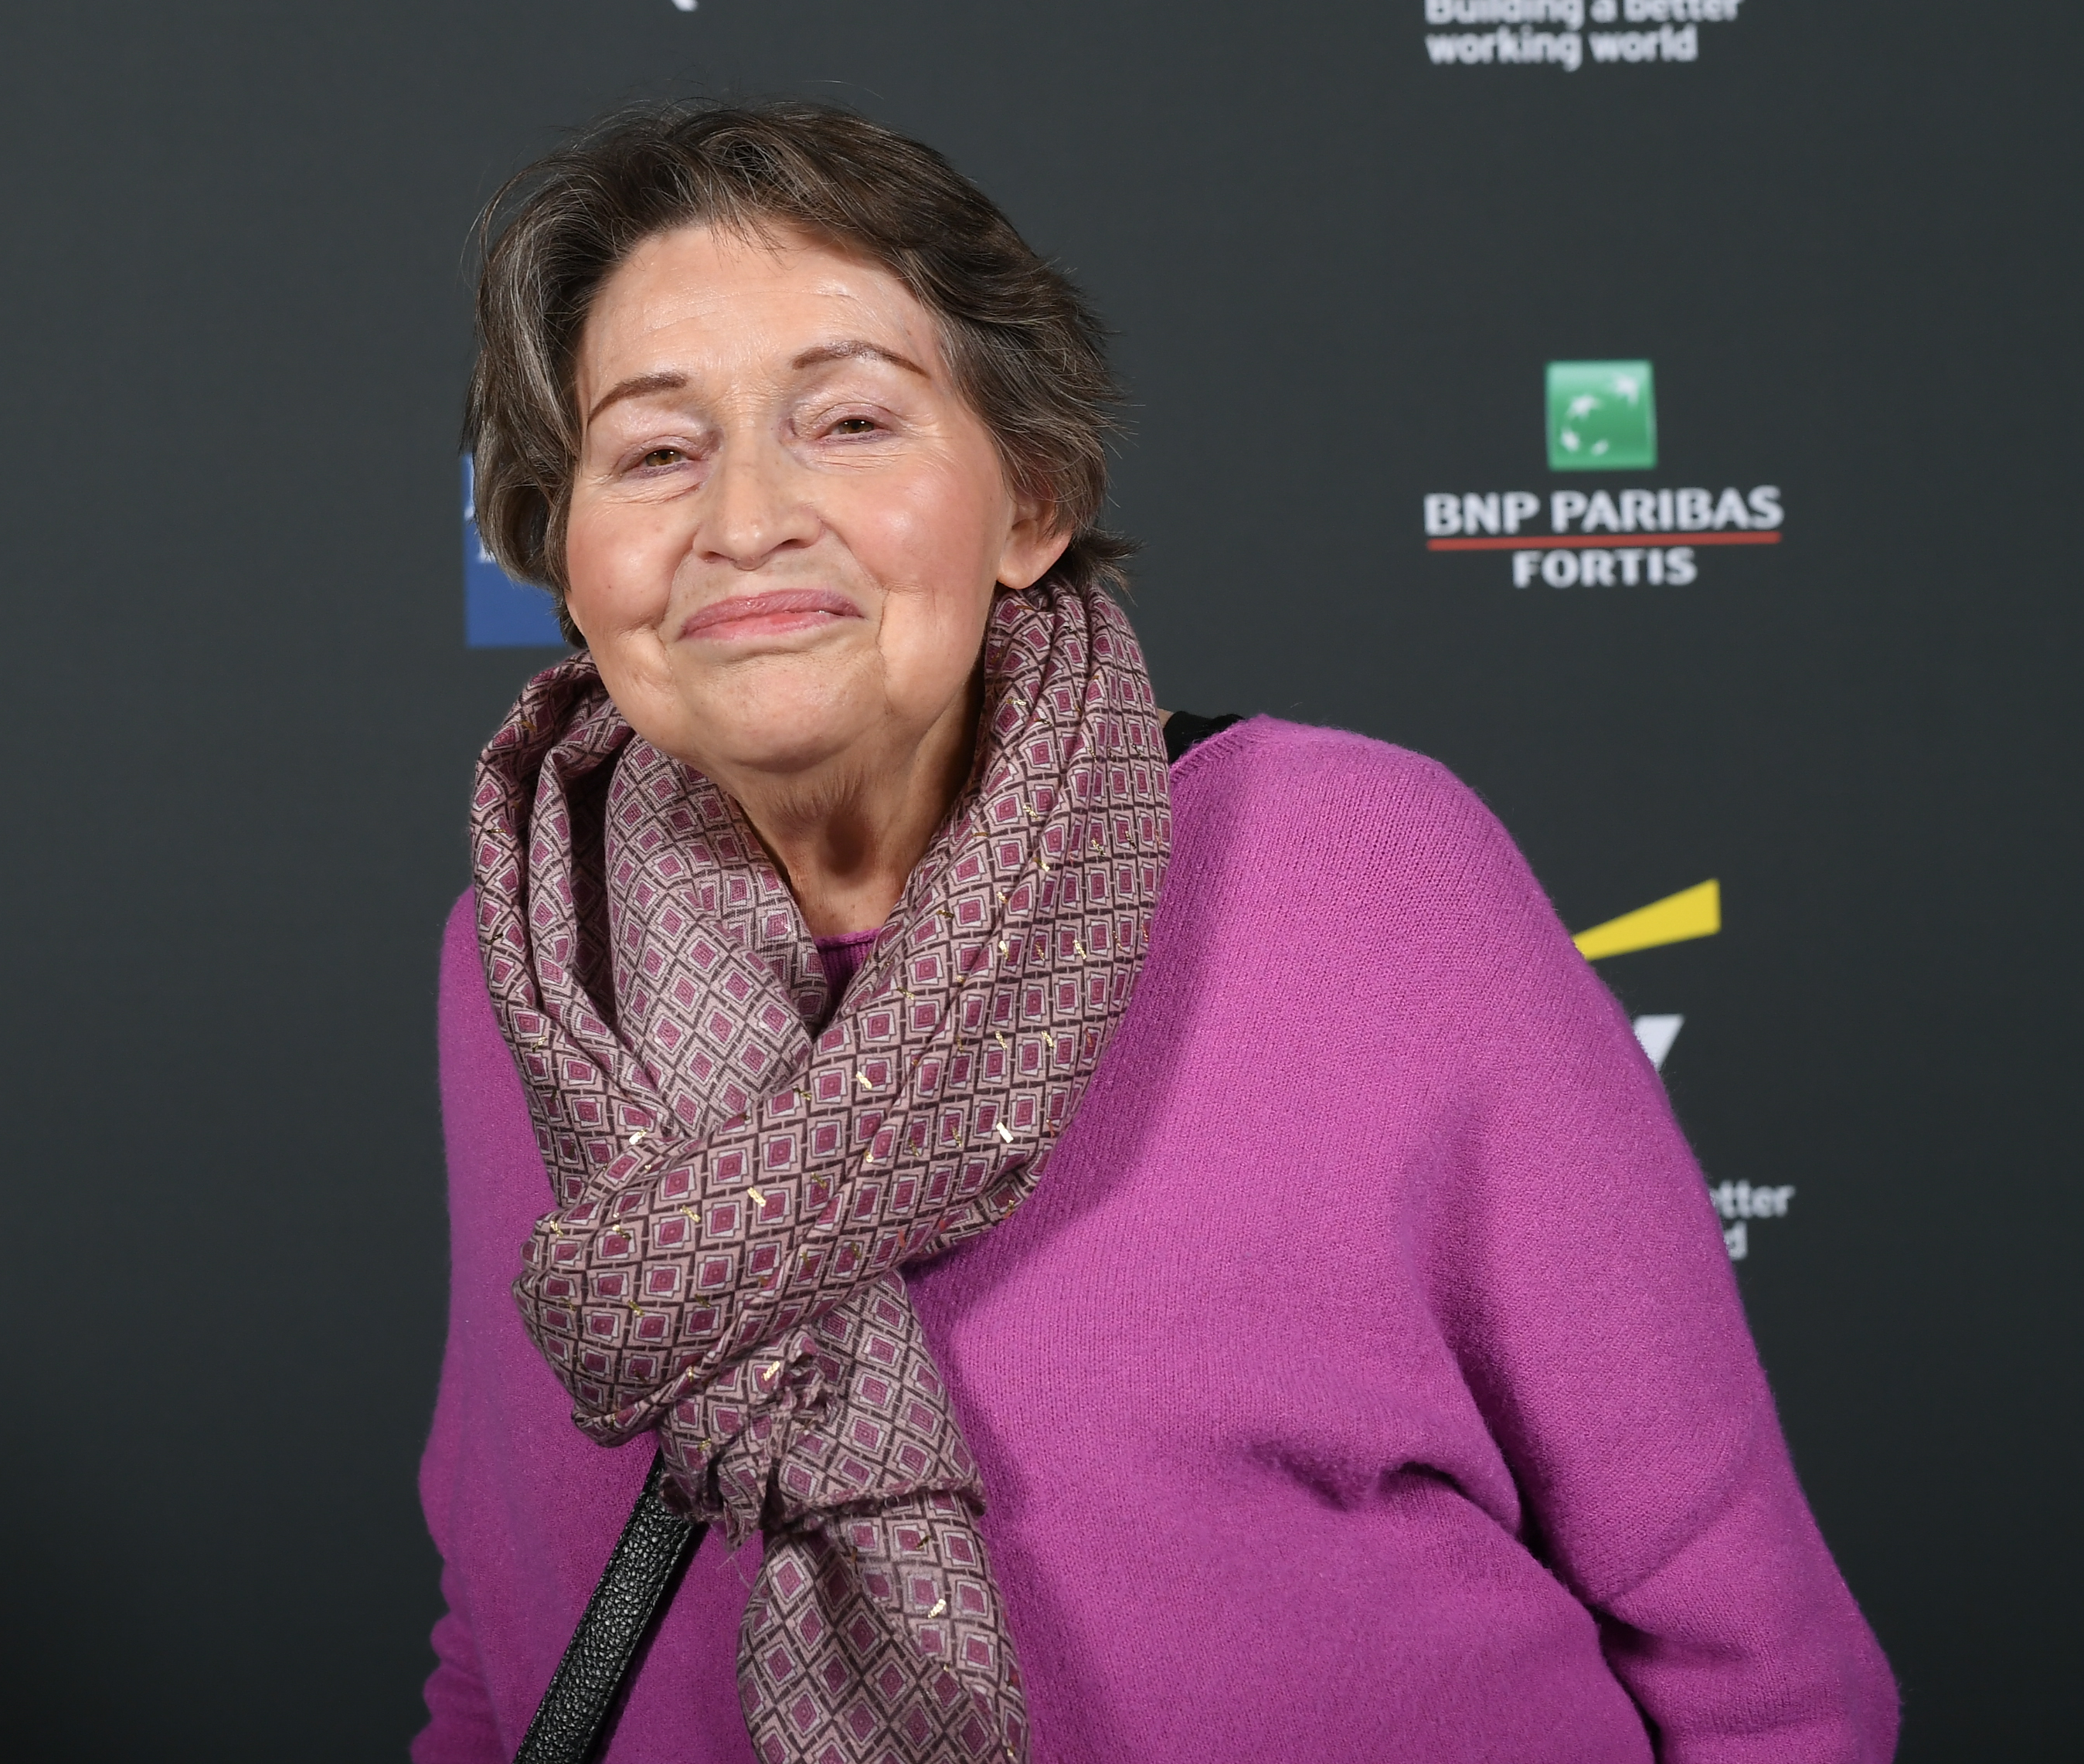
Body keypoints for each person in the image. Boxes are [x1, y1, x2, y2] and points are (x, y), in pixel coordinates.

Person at [416, 102, 1897, 1763]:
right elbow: (510, 1609)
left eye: (849, 422)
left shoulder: (1354, 871)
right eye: (653, 453)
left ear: (1029, 501)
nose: (746, 517)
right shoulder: (530, 960)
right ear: (566, 553)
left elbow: (1750, 1659)